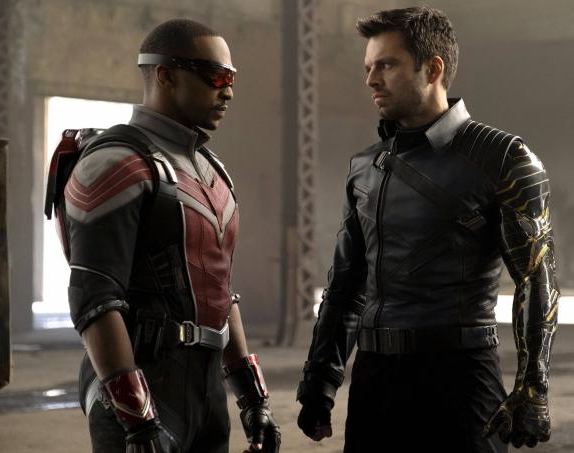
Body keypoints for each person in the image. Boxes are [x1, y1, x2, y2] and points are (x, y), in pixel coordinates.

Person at [296, 6, 558, 453]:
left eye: (387, 65)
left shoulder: (503, 157)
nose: (371, 79)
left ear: (433, 69)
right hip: (375, 382)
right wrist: (320, 380)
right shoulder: (365, 166)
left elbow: (537, 276)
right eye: (368, 67)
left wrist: (533, 387)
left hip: (460, 380)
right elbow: (347, 282)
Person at [60, 19, 280, 453]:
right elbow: (93, 299)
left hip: (206, 392)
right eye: (215, 76)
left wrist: (254, 399)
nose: (228, 91)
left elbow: (221, 292)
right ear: (165, 75)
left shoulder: (212, 170)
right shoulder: (115, 164)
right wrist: (138, 421)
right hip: (139, 390)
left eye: (232, 78)